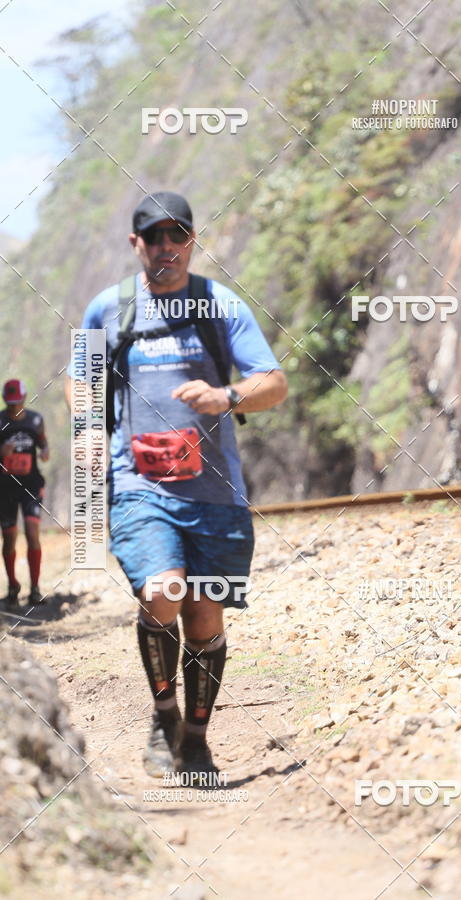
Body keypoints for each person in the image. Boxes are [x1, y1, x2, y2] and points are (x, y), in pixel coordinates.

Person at [65, 190, 287, 780]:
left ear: (192, 240)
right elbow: (78, 381)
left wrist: (226, 396)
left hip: (215, 493)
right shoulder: (105, 310)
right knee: (161, 592)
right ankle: (164, 716)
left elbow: (274, 382)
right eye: (154, 237)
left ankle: (195, 738)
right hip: (138, 485)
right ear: (136, 244)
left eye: (178, 235)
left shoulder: (221, 305)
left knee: (205, 613)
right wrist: (87, 428)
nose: (167, 247)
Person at [0, 379, 49, 606]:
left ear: (24, 398)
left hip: (30, 485)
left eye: (16, 403)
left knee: (32, 532)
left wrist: (45, 452)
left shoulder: (35, 420)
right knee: (9, 537)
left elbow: (43, 444)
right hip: (5, 487)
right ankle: (12, 585)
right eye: (9, 404)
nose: (13, 408)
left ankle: (36, 589)